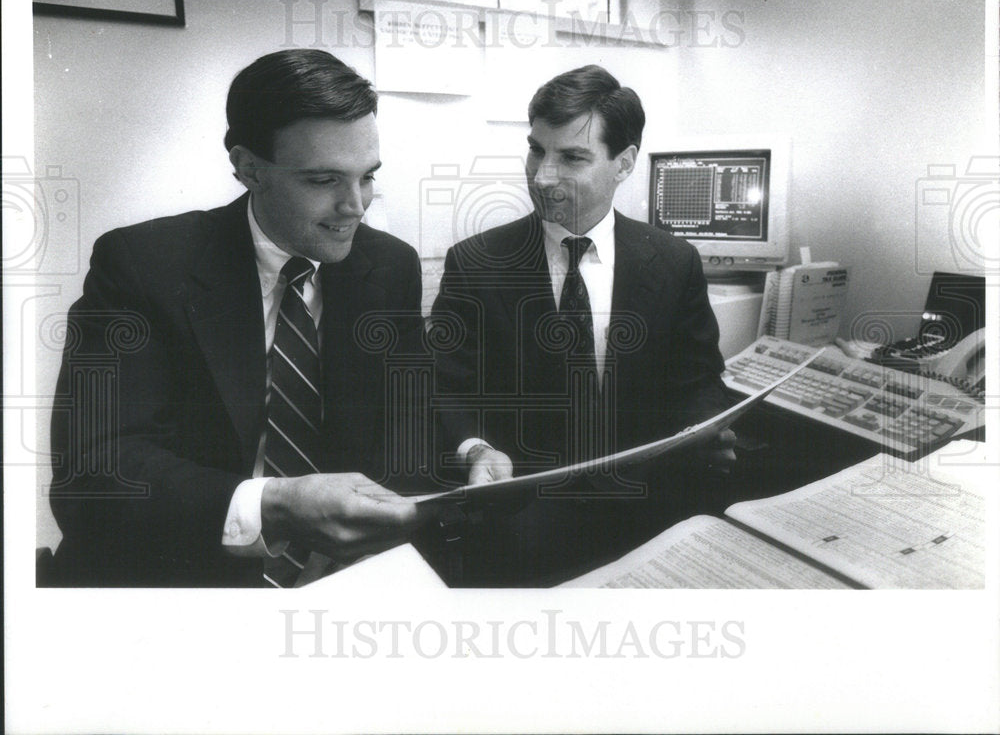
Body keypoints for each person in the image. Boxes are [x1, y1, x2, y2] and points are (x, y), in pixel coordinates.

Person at [47, 49, 446, 587]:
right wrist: (277, 506)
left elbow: (406, 429)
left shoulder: (388, 266)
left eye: (367, 177)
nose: (356, 206)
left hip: (339, 580)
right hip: (178, 579)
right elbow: (93, 473)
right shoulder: (142, 266)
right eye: (324, 180)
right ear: (249, 168)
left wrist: (384, 524)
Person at [431, 65, 736, 584]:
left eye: (571, 157)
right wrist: (475, 449)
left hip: (650, 512)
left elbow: (698, 379)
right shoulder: (475, 262)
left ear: (624, 164)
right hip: (522, 520)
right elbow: (445, 389)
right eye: (536, 150)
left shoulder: (674, 260)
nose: (542, 175)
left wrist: (708, 426)